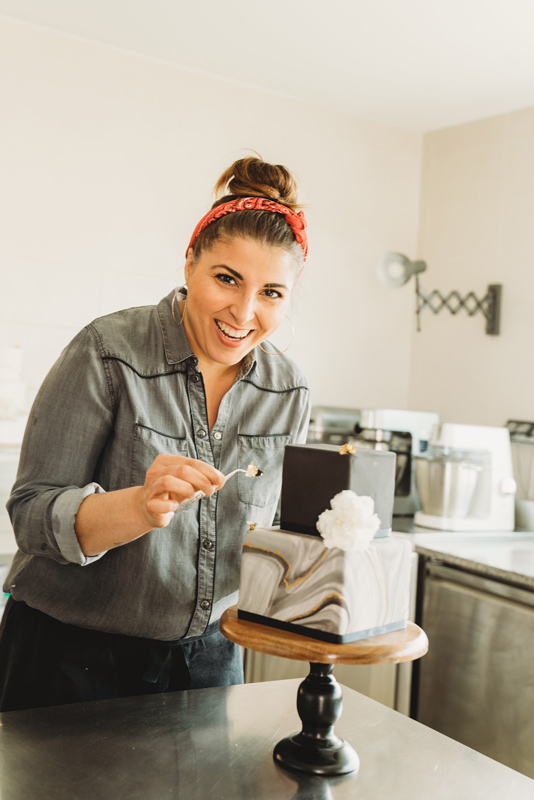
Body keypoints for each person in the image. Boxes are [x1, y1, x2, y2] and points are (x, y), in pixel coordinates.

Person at [0, 156, 311, 712]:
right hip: (69, 657)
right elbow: (31, 515)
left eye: (272, 293)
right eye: (226, 279)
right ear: (189, 264)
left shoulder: (288, 391)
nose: (244, 312)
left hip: (210, 661)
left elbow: (275, 534)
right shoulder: (107, 351)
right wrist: (140, 506)